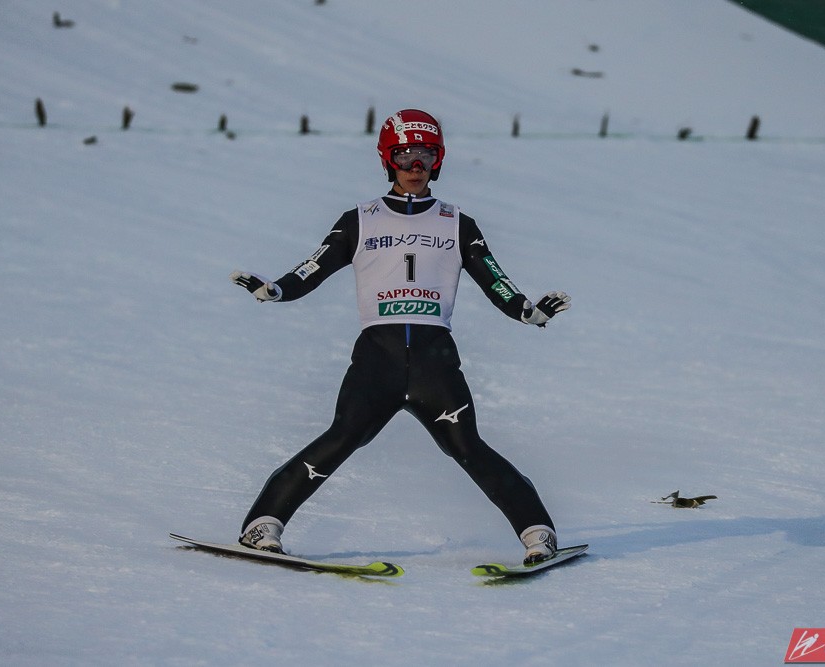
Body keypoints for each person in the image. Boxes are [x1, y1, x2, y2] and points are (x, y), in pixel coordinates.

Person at [229, 109, 570, 564]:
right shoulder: (359, 220)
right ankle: (262, 525)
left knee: (468, 448)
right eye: (405, 155)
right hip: (378, 360)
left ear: (438, 160)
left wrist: (527, 312)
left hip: (434, 362)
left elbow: (495, 279)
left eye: (426, 155)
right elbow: (314, 267)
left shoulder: (457, 223)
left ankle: (538, 533)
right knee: (340, 439)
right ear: (388, 160)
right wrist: (277, 290)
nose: (416, 165)